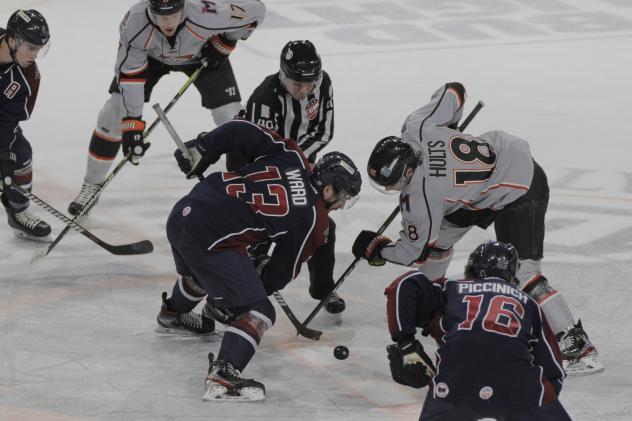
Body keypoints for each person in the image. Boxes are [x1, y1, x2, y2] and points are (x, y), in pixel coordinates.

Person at [352, 82, 602, 375]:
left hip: (519, 186)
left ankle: (577, 346)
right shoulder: (417, 126)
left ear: (407, 170)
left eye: (395, 182)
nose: (394, 189)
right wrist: (449, 130)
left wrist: (377, 248)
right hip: (480, 186)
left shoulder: (421, 195)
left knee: (524, 273)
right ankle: (432, 310)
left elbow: (412, 252)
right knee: (440, 242)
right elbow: (454, 91)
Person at [157, 119, 361, 401]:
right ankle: (224, 375)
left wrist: (205, 147)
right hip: (208, 240)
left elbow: (242, 130)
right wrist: (242, 294)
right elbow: (281, 272)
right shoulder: (315, 219)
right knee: (259, 311)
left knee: (201, 275)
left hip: (182, 214)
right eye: (343, 198)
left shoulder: (292, 157)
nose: (341, 205)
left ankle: (173, 314)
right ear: (328, 190)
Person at [66, 0, 265, 215]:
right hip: (150, 59)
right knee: (112, 115)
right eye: (162, 16)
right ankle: (91, 187)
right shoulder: (135, 21)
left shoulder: (208, 15)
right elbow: (130, 75)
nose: (168, 22)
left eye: (173, 15)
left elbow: (256, 11)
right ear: (151, 10)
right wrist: (132, 124)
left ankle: (248, 193)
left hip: (201, 57)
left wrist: (224, 43)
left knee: (232, 118)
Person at [385, 241, 571, 420]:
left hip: (456, 380)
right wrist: (543, 399)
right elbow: (553, 366)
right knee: (533, 391)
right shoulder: (529, 304)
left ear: (472, 268)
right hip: (518, 385)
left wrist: (405, 343)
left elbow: (405, 283)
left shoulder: (451, 289)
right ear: (512, 276)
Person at [230, 40, 343, 314]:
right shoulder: (264, 100)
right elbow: (258, 157)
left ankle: (323, 287)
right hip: (253, 165)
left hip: (298, 161)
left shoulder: (323, 82)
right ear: (282, 73)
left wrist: (297, 162)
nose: (303, 90)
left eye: (308, 84)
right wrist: (292, 166)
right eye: (296, 83)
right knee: (265, 226)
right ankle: (246, 288)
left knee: (322, 224)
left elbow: (323, 133)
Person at [0, 10, 51, 241]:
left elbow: (7, 121)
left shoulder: (27, 78)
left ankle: (18, 212)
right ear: (12, 40)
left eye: (39, 49)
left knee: (19, 153)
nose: (35, 55)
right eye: (31, 47)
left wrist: (3, 154)